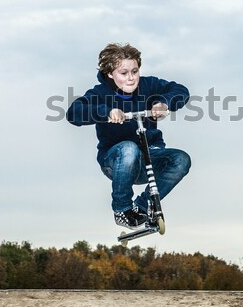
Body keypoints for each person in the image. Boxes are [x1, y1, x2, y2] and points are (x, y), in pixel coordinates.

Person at [66, 43, 191, 230]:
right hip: (116, 162)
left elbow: (181, 90)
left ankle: (142, 208)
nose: (131, 78)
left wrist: (163, 103)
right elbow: (73, 113)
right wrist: (106, 112)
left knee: (181, 159)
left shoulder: (149, 85)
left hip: (149, 156)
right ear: (110, 73)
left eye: (135, 71)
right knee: (128, 148)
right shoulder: (100, 94)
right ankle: (122, 209)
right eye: (124, 73)